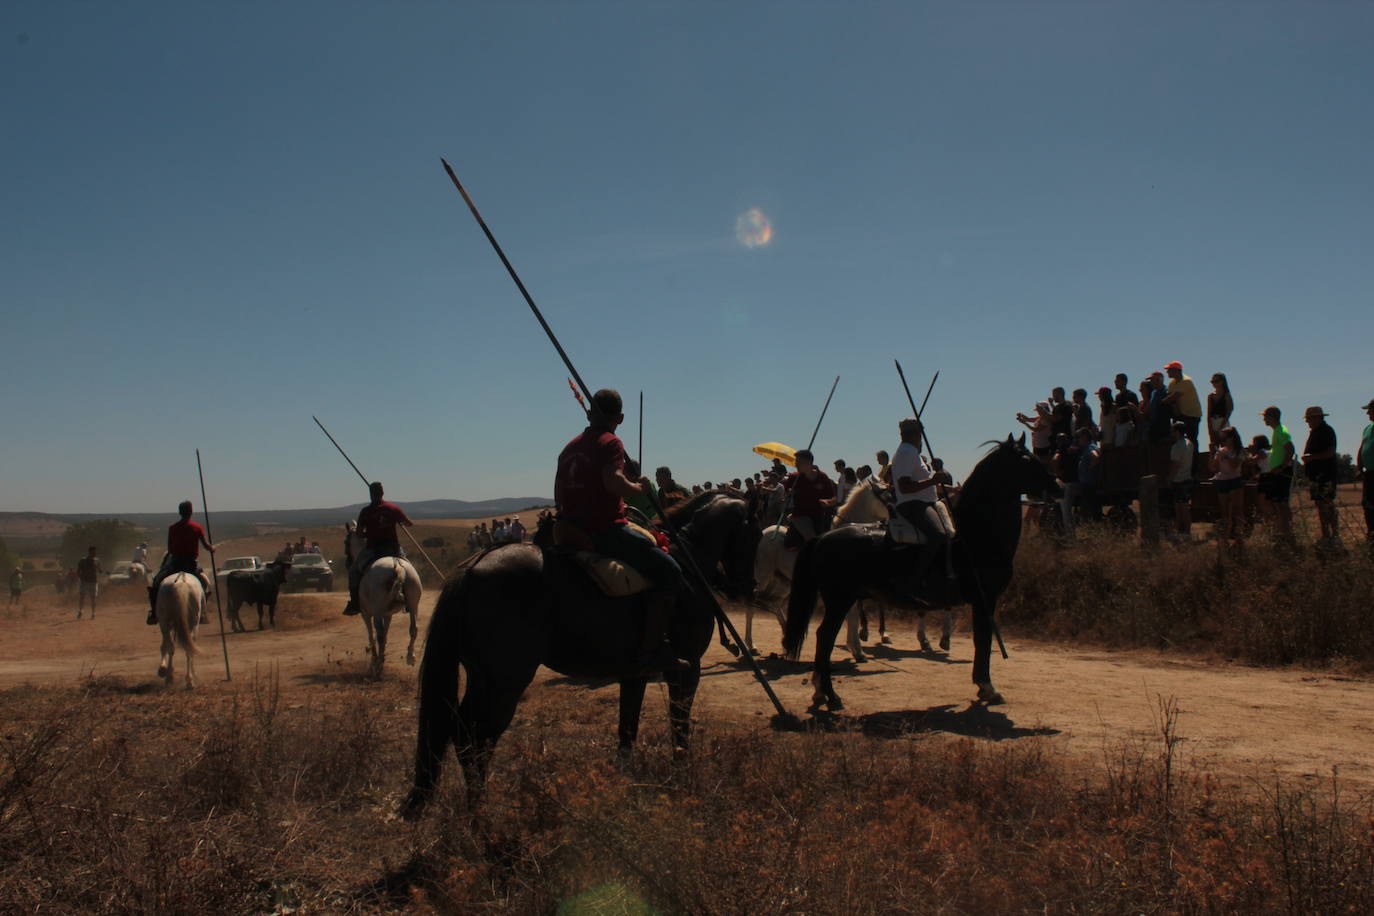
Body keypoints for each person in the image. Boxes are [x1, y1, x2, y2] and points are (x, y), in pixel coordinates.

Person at [555, 388, 686, 675]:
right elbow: (613, 482)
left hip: (567, 530)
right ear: (621, 418)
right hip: (604, 530)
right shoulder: (611, 442)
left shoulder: (569, 447)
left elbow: (557, 493)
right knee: (669, 571)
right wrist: (638, 488)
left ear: (590, 414)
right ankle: (651, 651)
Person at [891, 418, 949, 589]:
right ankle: (916, 580)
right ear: (917, 434)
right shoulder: (906, 453)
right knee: (938, 534)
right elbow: (905, 487)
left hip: (925, 503)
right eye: (921, 434)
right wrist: (932, 481)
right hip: (914, 505)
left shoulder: (912, 453)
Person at [343, 481, 413, 616]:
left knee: (353, 572)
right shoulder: (393, 508)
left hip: (372, 549)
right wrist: (399, 521)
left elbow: (358, 533)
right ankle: (409, 601)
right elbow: (409, 523)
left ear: (371, 494)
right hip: (392, 548)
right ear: (382, 493)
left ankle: (355, 603)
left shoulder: (366, 511)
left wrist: (367, 533)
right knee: (408, 568)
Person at [148, 501, 214, 624]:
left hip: (175, 563)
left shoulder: (172, 528)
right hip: (191, 564)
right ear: (191, 512)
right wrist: (212, 549)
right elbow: (206, 546)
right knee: (205, 584)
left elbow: (170, 549)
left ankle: (153, 613)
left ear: (179, 512)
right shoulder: (197, 527)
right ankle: (203, 612)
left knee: (156, 583)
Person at [1300, 406, 1339, 542]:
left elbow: (1331, 452)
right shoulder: (1314, 432)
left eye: (1309, 418)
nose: (1307, 422)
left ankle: (1334, 535)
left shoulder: (1327, 431)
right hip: (1315, 476)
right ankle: (1326, 535)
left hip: (1325, 474)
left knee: (1327, 504)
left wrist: (1312, 458)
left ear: (1317, 418)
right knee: (1320, 505)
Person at [1258, 406, 1296, 542]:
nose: (1263, 419)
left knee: (1282, 503)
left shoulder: (1281, 431)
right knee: (1277, 503)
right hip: (1278, 472)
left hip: (1282, 473)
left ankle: (1288, 533)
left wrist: (1282, 466)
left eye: (1265, 416)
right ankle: (1283, 532)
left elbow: (1290, 449)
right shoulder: (1277, 431)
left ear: (1272, 417)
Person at [783, 449, 837, 544]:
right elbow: (785, 495)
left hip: (819, 516)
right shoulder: (793, 478)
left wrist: (827, 502)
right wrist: (789, 493)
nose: (796, 464)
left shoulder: (822, 477)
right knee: (811, 540)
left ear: (808, 462)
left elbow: (834, 498)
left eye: (798, 462)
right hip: (800, 516)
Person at [1210, 426, 1245, 547]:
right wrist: (1212, 454)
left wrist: (1225, 456)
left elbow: (1235, 466)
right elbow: (1213, 468)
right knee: (1224, 512)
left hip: (1235, 480)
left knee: (1237, 510)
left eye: (1224, 437)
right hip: (1222, 481)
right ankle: (1225, 538)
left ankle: (1238, 537)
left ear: (1232, 438)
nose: (1222, 439)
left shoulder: (1239, 451)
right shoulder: (1221, 450)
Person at [1162, 361, 1203, 451]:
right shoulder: (1172, 383)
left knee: (1191, 440)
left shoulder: (1186, 381)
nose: (1167, 372)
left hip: (1193, 415)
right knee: (1178, 440)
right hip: (1181, 414)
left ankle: (1194, 462)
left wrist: (1159, 403)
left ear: (1176, 371)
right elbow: (1171, 399)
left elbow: (1172, 397)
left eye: (1169, 370)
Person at [1168, 422, 1194, 540]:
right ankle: (1186, 533)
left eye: (1172, 430)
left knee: (1179, 509)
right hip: (1187, 477)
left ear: (1177, 432)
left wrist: (1170, 478)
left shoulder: (1177, 446)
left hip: (1178, 480)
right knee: (1185, 508)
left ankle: (1181, 533)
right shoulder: (1190, 443)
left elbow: (1175, 465)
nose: (1171, 433)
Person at [1359, 399, 1374, 543]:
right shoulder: (1368, 428)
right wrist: (1359, 466)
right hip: (1369, 473)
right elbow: (1363, 446)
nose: (1368, 412)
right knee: (1367, 504)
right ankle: (1371, 534)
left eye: (1370, 409)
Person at [1206, 373, 1234, 452]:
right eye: (1212, 382)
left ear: (1222, 382)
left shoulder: (1226, 395)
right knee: (1214, 446)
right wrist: (1210, 429)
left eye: (1216, 381)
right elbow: (1208, 414)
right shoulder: (1210, 396)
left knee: (1225, 445)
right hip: (1213, 422)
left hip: (1223, 422)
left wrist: (1221, 427)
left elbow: (1229, 411)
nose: (1214, 383)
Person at [76, 546, 102, 619]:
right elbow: (78, 570)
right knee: (82, 597)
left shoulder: (97, 560)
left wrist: (99, 569)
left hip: (93, 581)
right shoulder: (83, 560)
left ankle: (93, 613)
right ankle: (81, 611)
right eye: (94, 552)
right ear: (90, 552)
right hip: (84, 581)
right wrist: (80, 578)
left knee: (93, 598)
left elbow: (100, 570)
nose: (95, 553)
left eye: (95, 552)